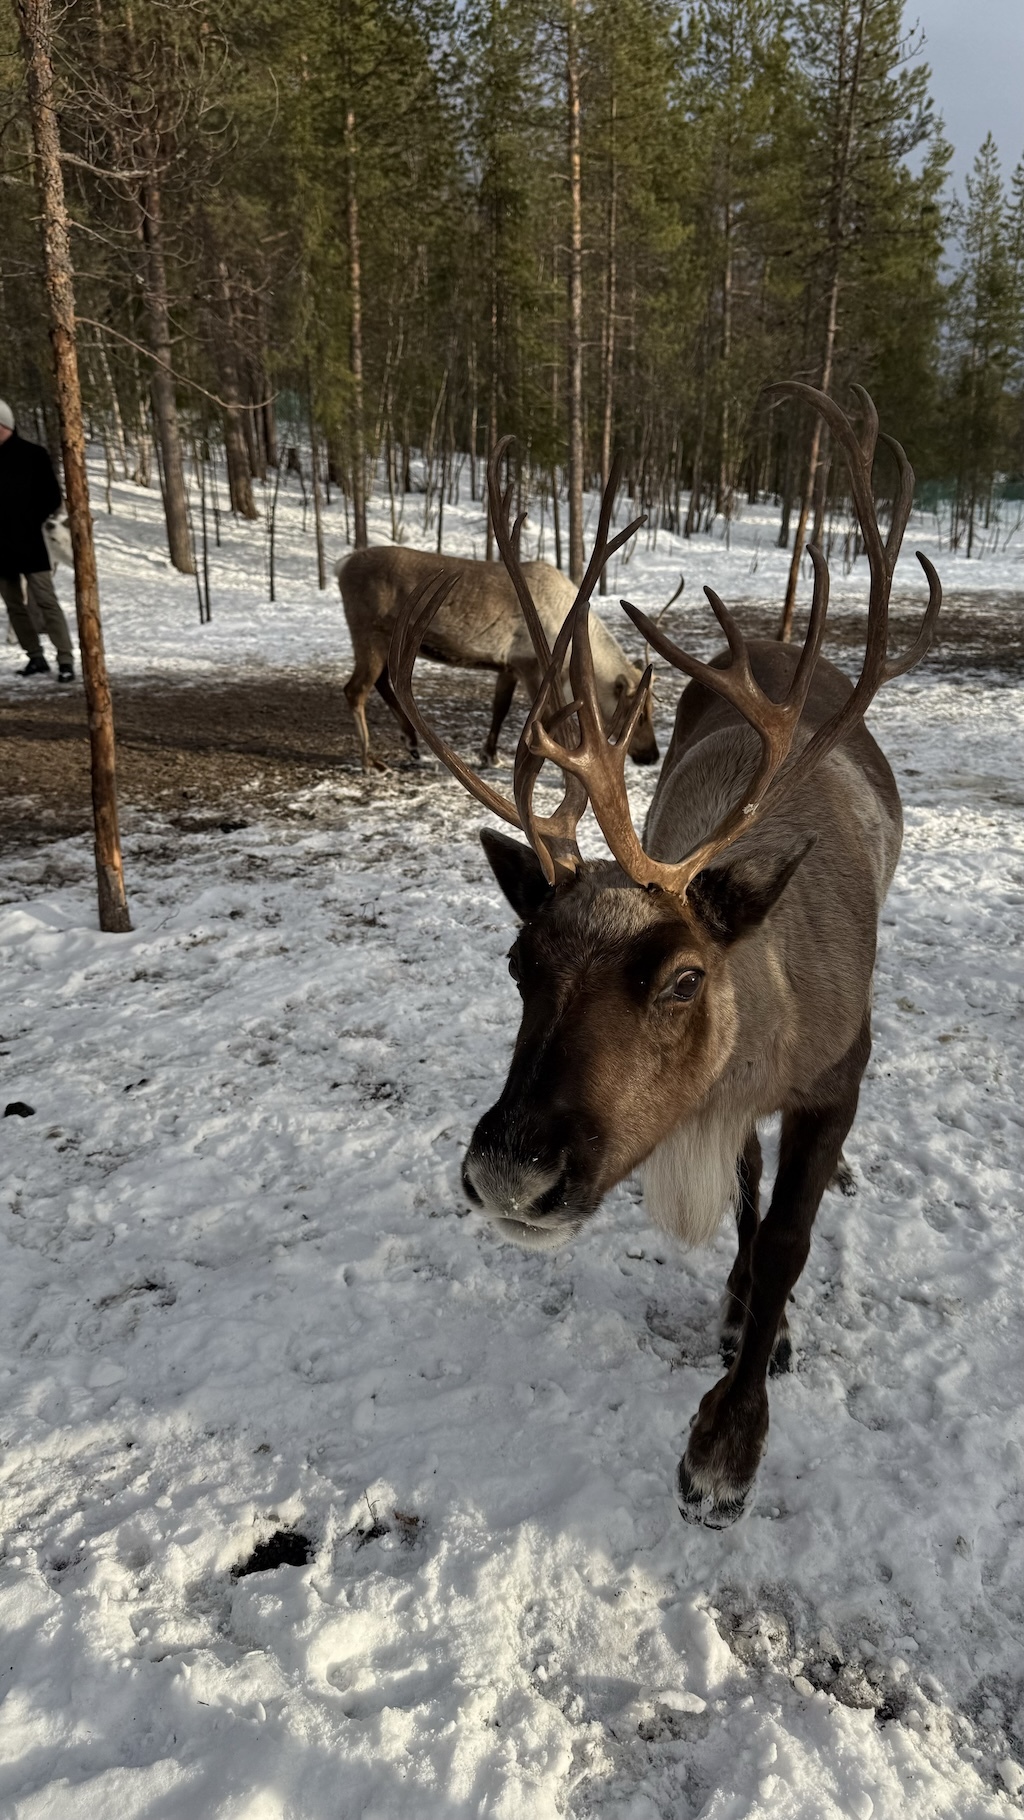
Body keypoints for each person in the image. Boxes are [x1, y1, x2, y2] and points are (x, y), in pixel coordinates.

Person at [0, 398, 75, 682]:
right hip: (1, 548)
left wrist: (28, 520)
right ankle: (35, 657)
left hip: (32, 542)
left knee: (46, 601)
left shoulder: (33, 455)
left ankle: (65, 659)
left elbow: (52, 497)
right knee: (14, 605)